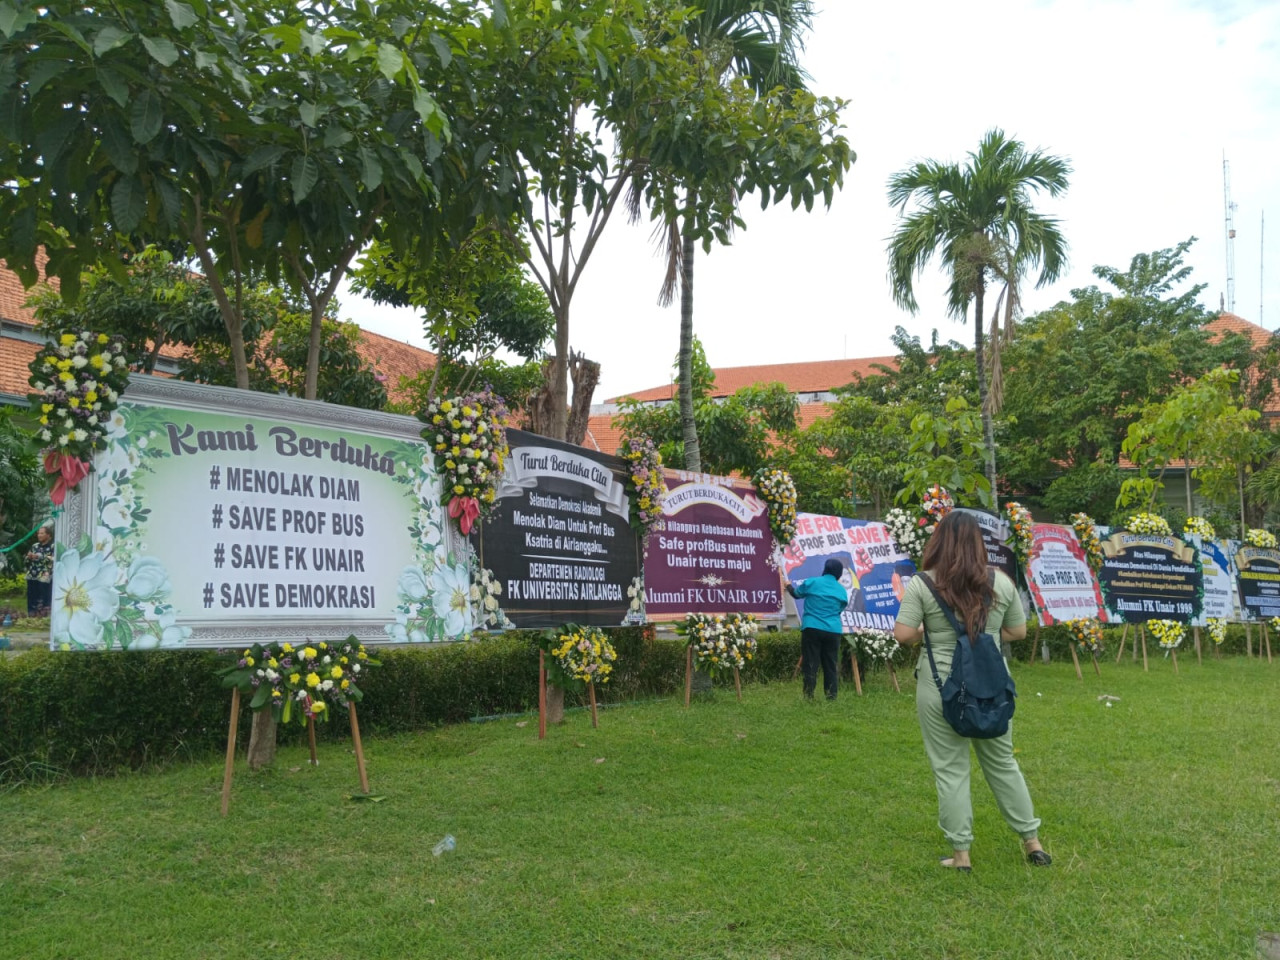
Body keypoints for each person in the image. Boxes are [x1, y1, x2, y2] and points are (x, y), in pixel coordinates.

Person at [893, 510, 1050, 872]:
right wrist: (986, 635)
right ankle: (1032, 842)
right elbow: (1018, 632)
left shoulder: (922, 584)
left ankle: (961, 854)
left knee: (950, 768)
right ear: (980, 544)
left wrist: (929, 635)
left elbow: (903, 635)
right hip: (992, 686)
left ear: (939, 542)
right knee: (1003, 763)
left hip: (940, 686)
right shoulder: (1002, 582)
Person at [787, 558, 849, 700]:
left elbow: (796, 594)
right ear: (839, 574)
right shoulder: (841, 590)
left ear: (825, 569)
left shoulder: (812, 582)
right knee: (830, 664)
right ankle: (831, 697)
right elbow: (840, 609)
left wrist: (788, 586)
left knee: (810, 663)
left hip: (812, 628)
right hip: (833, 630)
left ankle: (809, 696)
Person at [24, 523, 54, 616]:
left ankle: (44, 613)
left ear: (48, 535)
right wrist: (28, 557)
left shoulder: (52, 546)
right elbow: (27, 560)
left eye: (42, 533)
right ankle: (31, 613)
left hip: (45, 574)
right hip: (33, 574)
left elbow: (53, 559)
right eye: (38, 533)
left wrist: (39, 556)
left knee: (44, 594)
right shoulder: (35, 546)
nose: (39, 535)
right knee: (32, 594)